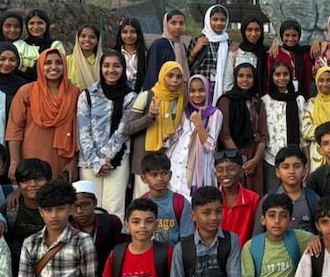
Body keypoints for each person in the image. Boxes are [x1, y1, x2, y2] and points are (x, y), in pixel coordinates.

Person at [77, 51, 136, 217]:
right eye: (106, 66)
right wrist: (96, 162)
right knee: (89, 206)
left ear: (123, 68)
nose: (111, 70)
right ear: (100, 68)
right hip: (89, 161)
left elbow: (123, 130)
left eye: (117, 66)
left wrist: (105, 158)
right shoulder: (87, 95)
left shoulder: (130, 97)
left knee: (114, 207)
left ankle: (113, 242)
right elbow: (83, 131)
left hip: (117, 160)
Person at [5, 49, 79, 182]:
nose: (53, 67)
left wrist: (74, 162)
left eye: (59, 63)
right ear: (40, 66)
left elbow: (79, 132)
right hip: (30, 154)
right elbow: (15, 128)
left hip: (62, 159)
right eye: (48, 63)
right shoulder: (26, 92)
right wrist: (15, 161)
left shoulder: (75, 94)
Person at [125, 60, 187, 194]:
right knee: (143, 203)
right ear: (162, 76)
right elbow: (128, 128)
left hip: (168, 160)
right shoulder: (147, 96)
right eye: (170, 76)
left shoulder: (182, 99)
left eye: (178, 76)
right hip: (145, 161)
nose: (175, 80)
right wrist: (149, 117)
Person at [218, 63, 268, 194]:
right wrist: (240, 160)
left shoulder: (258, 102)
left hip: (254, 156)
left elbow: (263, 136)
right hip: (233, 156)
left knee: (255, 195)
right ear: (235, 78)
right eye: (241, 76)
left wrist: (255, 160)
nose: (245, 80)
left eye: (249, 76)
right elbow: (225, 135)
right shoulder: (226, 100)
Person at [168, 74, 222, 194]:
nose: (196, 95)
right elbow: (175, 137)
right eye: (192, 91)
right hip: (177, 161)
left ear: (207, 90)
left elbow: (210, 146)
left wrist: (198, 123)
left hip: (199, 167)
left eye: (201, 90)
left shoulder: (215, 114)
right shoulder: (184, 110)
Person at [70, 180, 126, 277]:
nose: (79, 211)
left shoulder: (111, 222)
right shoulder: (68, 228)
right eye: (74, 206)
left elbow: (123, 252)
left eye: (84, 204)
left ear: (95, 203)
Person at [252, 146, 320, 235]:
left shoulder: (313, 199)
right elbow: (258, 235)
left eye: (297, 166)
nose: (291, 171)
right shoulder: (268, 199)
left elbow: (322, 235)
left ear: (304, 171)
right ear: (277, 172)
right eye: (285, 167)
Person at [262, 62, 305, 193]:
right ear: (272, 77)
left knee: (295, 194)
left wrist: (305, 158)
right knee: (274, 195)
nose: (281, 78)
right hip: (271, 158)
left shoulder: (299, 99)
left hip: (295, 158)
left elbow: (303, 131)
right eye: (277, 74)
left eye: (285, 74)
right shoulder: (265, 100)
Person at [137, 152, 193, 245]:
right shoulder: (139, 205)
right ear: (144, 178)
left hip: (173, 256)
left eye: (164, 173)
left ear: (170, 175)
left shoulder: (181, 203)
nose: (160, 178)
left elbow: (187, 240)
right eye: (154, 175)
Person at [187, 6, 230, 104]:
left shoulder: (228, 43)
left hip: (219, 89)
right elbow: (186, 66)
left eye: (222, 20)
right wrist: (195, 51)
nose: (219, 23)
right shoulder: (198, 40)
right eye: (215, 19)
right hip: (199, 90)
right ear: (208, 20)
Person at [217, 150, 259, 246]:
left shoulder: (253, 199)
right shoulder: (211, 200)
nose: (225, 174)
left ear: (241, 172)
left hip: (244, 254)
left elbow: (256, 232)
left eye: (231, 169)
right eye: (220, 170)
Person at [12, 10, 64, 83]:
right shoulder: (19, 45)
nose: (36, 27)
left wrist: (26, 70)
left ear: (47, 24)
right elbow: (13, 70)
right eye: (31, 23)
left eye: (40, 23)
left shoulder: (55, 45)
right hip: (21, 87)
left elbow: (56, 71)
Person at [145, 10, 191, 92]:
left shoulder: (181, 46)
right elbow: (152, 73)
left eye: (181, 23)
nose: (178, 26)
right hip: (162, 95)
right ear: (166, 24)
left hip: (179, 93)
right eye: (173, 23)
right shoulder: (159, 45)